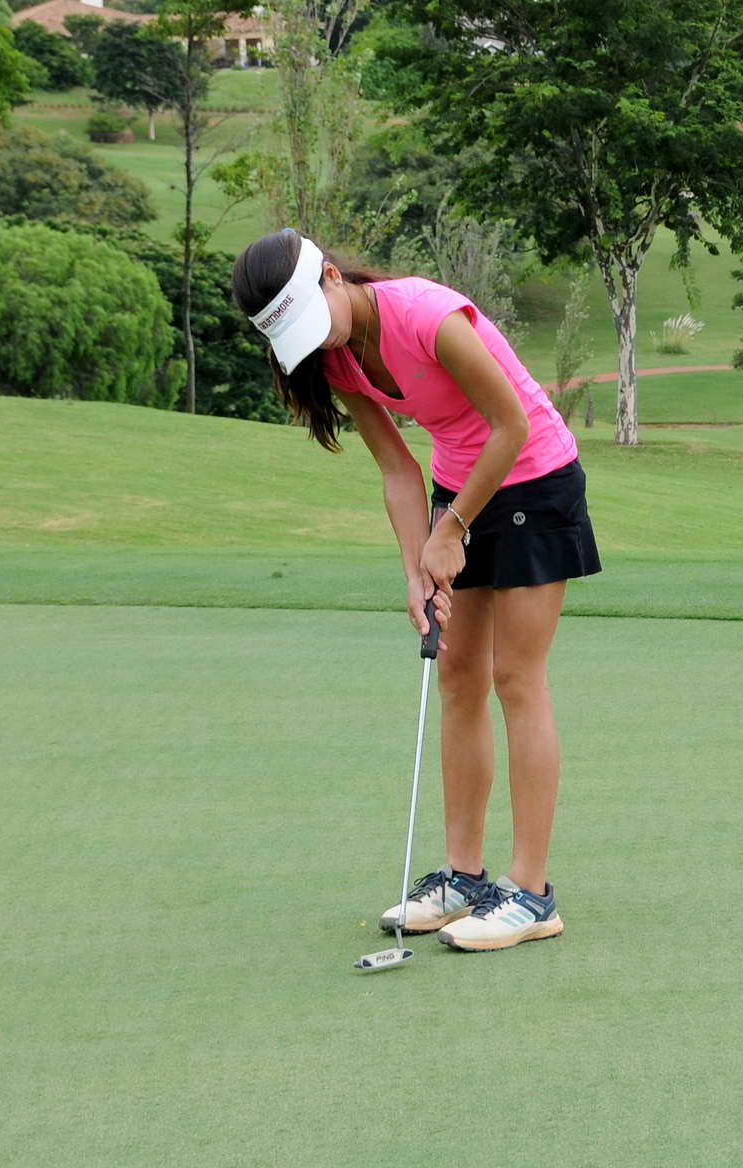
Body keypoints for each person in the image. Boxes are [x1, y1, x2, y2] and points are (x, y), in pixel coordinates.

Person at [232, 229, 599, 952]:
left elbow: (511, 424)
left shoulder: (429, 317)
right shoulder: (337, 357)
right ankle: (465, 878)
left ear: (332, 277)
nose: (317, 340)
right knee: (458, 679)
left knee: (516, 678)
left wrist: (452, 528)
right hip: (459, 488)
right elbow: (398, 470)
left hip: (535, 479)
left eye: (314, 319)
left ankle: (531, 894)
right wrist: (416, 570)